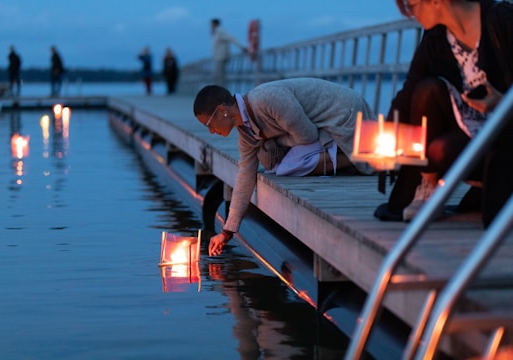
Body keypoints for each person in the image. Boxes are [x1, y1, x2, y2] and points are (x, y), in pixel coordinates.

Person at [193, 78, 375, 256]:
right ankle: (346, 158)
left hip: (345, 115)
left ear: (222, 111)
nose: (210, 131)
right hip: (321, 126)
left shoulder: (268, 99)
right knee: (272, 163)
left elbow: (308, 136)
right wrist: (227, 231)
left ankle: (355, 159)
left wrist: (274, 140)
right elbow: (245, 175)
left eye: (209, 124)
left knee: (289, 165)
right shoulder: (246, 132)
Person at [373, 0, 513, 228]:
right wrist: (385, 140)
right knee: (427, 90)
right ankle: (428, 191)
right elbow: (409, 90)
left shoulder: (501, 18)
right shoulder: (436, 36)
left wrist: (503, 102)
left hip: (505, 134)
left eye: (411, 6)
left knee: (443, 149)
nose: (411, 15)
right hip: (472, 131)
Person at [210, 18, 247, 87]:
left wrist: (241, 47)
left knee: (220, 76)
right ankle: (218, 91)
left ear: (215, 24)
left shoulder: (220, 31)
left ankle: (220, 92)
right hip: (218, 57)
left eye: (211, 24)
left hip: (221, 57)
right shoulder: (215, 32)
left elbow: (231, 38)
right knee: (218, 76)